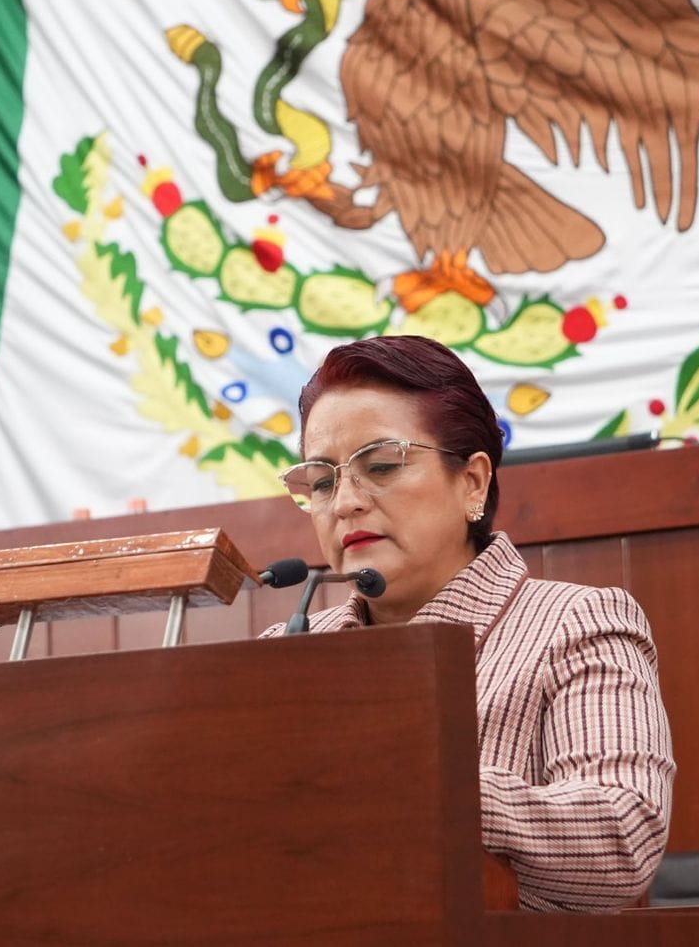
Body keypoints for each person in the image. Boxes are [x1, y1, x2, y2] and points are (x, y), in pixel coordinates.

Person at [262, 334, 673, 912]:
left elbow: (621, 843)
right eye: (324, 481)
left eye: (380, 465)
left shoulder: (575, 623)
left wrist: (421, 781)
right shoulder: (283, 653)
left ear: (472, 482)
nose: (346, 501)